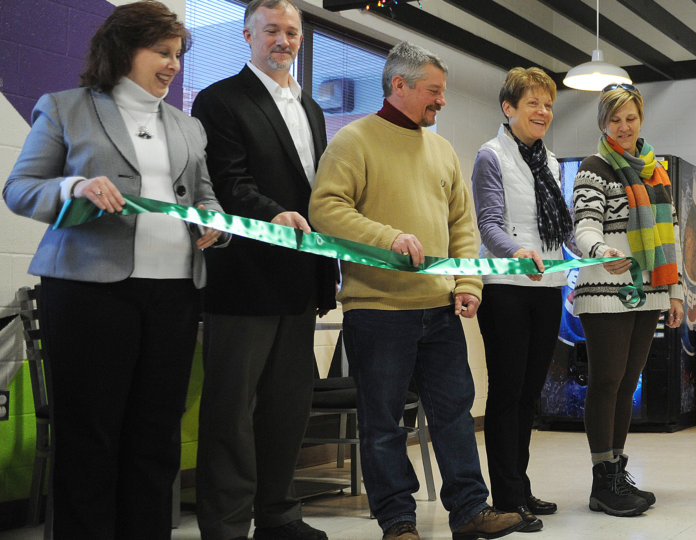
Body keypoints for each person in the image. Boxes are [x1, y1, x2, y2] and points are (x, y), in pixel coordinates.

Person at [3, 1, 224, 536]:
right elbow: (20, 189)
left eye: (177, 55)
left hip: (173, 294)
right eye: (161, 52)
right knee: (91, 436)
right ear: (123, 50)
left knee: (156, 435)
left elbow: (204, 195)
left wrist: (214, 222)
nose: (172, 65)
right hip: (88, 293)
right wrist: (74, 187)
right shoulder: (65, 107)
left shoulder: (189, 125)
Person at [308, 42, 524, 540]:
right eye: (433, 91)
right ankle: (398, 522)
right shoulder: (353, 141)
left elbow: (463, 226)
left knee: (454, 414)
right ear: (398, 85)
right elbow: (326, 210)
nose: (441, 101)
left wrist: (469, 283)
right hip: (378, 310)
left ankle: (470, 510)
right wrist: (389, 237)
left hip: (440, 309)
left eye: (442, 92)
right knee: (384, 424)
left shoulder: (442, 149)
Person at [190, 1, 337, 538]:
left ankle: (278, 516)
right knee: (230, 415)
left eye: (292, 32)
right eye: (271, 30)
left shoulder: (313, 108)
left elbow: (319, 195)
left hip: (299, 283)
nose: (283, 40)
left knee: (286, 411)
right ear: (247, 34)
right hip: (243, 281)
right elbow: (226, 181)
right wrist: (272, 214)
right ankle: (227, 527)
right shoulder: (219, 100)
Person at [571, 83, 684, 518]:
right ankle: (603, 481)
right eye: (614, 119)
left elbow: (669, 235)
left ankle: (617, 471)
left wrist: (674, 292)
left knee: (626, 385)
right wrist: (600, 251)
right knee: (606, 382)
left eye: (630, 118)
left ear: (641, 120)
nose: (623, 126)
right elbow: (585, 225)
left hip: (650, 293)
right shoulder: (593, 167)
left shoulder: (656, 171)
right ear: (603, 123)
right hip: (605, 291)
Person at [471, 67, 571, 532]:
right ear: (508, 108)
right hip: (506, 289)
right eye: (533, 103)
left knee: (531, 395)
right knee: (507, 394)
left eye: (548, 104)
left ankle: (522, 485)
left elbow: (561, 230)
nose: (543, 112)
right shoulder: (490, 156)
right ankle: (507, 497)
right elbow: (489, 225)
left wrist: (595, 254)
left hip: (548, 288)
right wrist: (518, 252)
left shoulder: (550, 162)